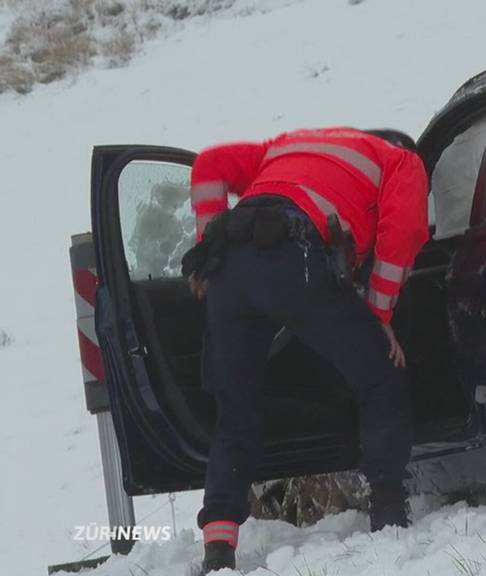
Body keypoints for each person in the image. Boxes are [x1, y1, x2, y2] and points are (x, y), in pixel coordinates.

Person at [182, 127, 429, 574]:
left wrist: (207, 248)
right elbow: (404, 231)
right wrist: (379, 316)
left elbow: (209, 166)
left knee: (235, 410)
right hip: (294, 255)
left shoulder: (280, 147)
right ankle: (390, 511)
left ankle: (218, 548)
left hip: (230, 268)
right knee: (379, 375)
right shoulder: (402, 163)